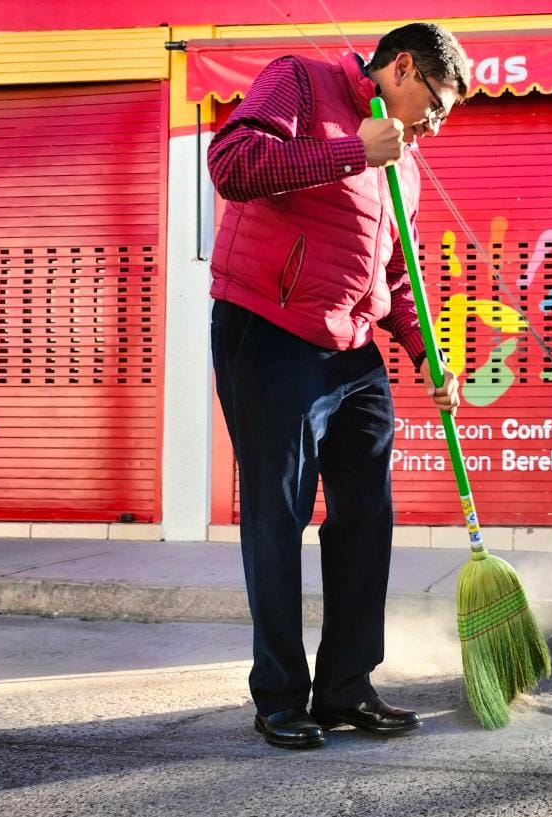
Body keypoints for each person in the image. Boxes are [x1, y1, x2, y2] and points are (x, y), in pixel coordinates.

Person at [206, 23, 469, 749]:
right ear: (403, 67)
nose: (436, 125)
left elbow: (398, 274)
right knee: (277, 515)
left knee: (366, 516)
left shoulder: (404, 164)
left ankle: (347, 686)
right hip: (270, 330)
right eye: (435, 105)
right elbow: (231, 164)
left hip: (353, 350)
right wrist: (354, 149)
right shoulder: (299, 79)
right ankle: (280, 696)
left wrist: (427, 354)